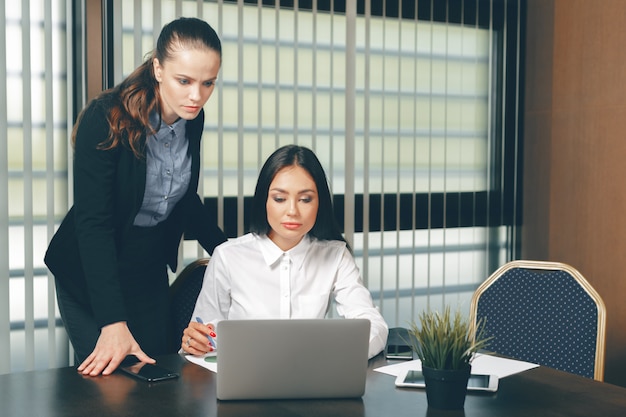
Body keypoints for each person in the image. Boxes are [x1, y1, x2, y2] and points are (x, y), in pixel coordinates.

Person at [44, 17, 227, 376]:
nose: (196, 95)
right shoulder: (106, 117)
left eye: (208, 83)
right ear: (158, 68)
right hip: (91, 270)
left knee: (159, 377)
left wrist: (230, 254)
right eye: (184, 81)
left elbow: (184, 196)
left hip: (146, 268)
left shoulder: (193, 118)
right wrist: (112, 322)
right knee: (112, 385)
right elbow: (93, 225)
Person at [182, 145, 388, 359]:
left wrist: (336, 357)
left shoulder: (335, 255)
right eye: (280, 199)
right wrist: (196, 342)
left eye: (305, 199)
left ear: (320, 203)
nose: (292, 211)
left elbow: (374, 326)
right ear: (264, 200)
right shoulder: (228, 256)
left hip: (311, 378)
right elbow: (202, 335)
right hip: (245, 380)